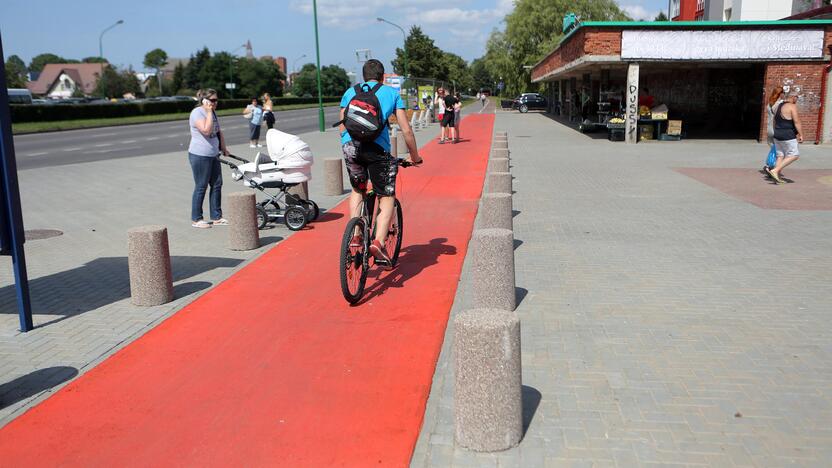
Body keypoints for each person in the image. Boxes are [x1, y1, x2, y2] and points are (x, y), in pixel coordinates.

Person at [339, 59, 422, 267]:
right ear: (383, 77)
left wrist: (348, 145)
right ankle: (378, 242)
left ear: (363, 76)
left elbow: (342, 125)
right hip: (377, 151)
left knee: (358, 190)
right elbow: (406, 130)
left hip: (351, 148)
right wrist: (415, 156)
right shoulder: (391, 94)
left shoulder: (350, 92)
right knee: (387, 196)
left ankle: (356, 234)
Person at [188, 89, 229, 228]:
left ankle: (216, 216)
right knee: (201, 186)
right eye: (212, 100)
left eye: (216, 100)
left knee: (217, 184)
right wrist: (209, 111)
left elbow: (218, 131)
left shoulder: (213, 113)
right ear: (205, 101)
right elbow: (206, 130)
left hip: (213, 154)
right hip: (200, 155)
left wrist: (223, 147)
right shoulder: (197, 113)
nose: (215, 103)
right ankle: (196, 219)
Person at [766, 91, 803, 184]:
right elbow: (797, 122)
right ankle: (775, 170)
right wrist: (801, 134)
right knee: (794, 155)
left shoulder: (778, 106)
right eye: (797, 97)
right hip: (788, 135)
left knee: (780, 156)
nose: (797, 99)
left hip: (777, 134)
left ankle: (776, 176)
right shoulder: (791, 106)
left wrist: (776, 131)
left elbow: (774, 120)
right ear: (793, 97)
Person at [764, 86, 784, 176]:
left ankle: (771, 166)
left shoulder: (769, 103)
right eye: (783, 93)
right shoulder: (781, 104)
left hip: (769, 129)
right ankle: (771, 168)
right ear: (780, 94)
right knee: (780, 151)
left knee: (774, 149)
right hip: (777, 129)